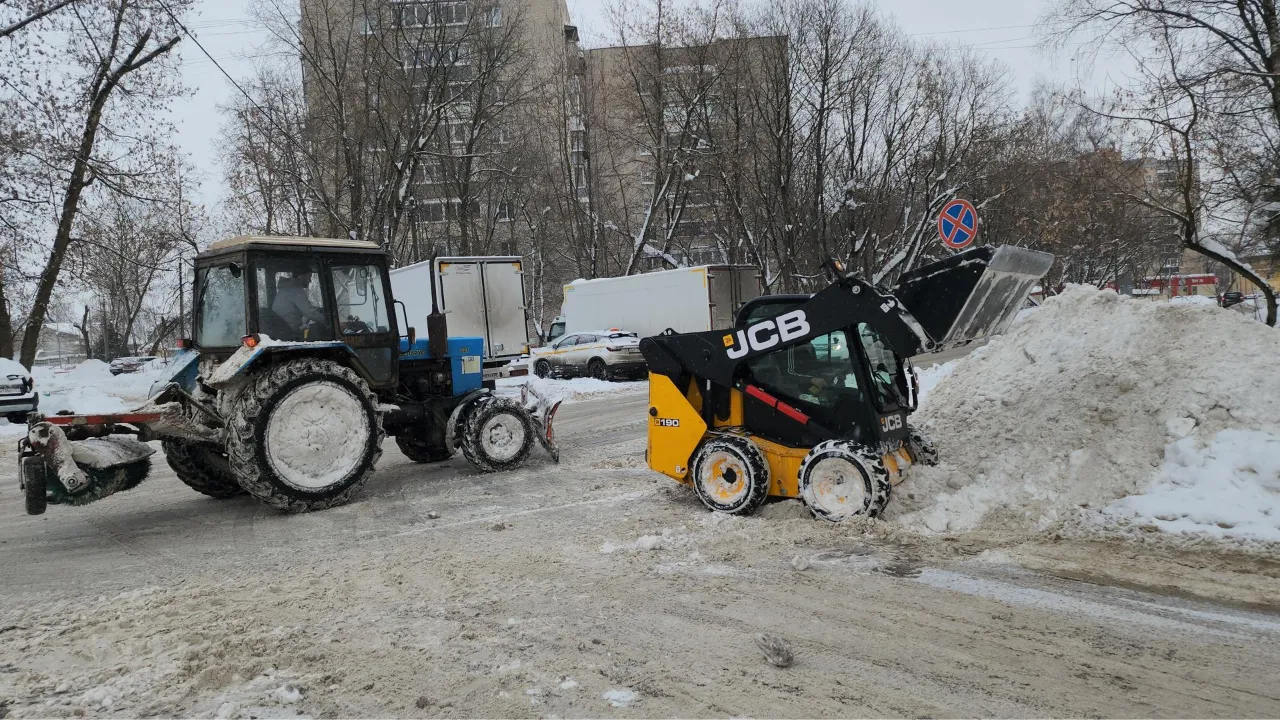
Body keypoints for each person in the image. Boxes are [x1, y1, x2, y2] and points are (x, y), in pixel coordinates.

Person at [272, 271, 326, 338]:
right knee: (320, 332)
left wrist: (317, 310)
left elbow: (300, 308)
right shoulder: (294, 290)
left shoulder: (287, 289)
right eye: (309, 277)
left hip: (283, 328)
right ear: (301, 276)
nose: (310, 280)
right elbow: (309, 313)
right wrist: (329, 321)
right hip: (288, 331)